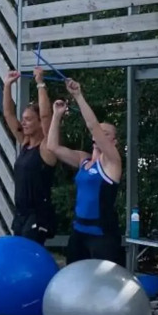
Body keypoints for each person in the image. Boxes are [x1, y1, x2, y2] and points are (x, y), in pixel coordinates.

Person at [44, 79, 124, 265]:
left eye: (106, 134)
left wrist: (78, 96)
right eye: (99, 133)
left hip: (102, 235)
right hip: (79, 232)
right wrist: (56, 115)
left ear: (114, 141)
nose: (100, 136)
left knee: (103, 286)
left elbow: (92, 127)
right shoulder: (83, 159)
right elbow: (53, 147)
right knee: (75, 279)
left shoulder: (112, 162)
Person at [3, 64, 57, 244]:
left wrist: (40, 83)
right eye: (23, 119)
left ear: (39, 123)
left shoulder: (46, 147)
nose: (23, 123)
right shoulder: (25, 142)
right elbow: (8, 114)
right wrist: (8, 85)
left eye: (28, 119)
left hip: (38, 215)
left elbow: (46, 116)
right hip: (21, 214)